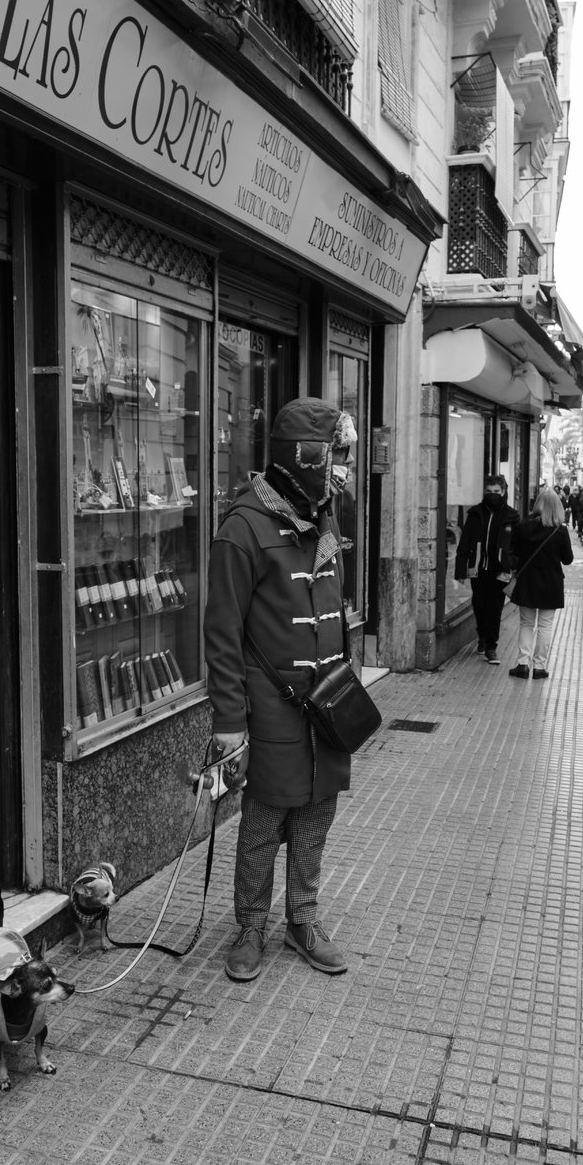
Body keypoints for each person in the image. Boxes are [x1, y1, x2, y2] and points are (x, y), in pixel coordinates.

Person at [203, 397, 357, 983]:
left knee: (317, 814)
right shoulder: (241, 529)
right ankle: (249, 926)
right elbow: (221, 636)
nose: (341, 466)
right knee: (263, 823)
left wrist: (350, 672)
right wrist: (228, 723)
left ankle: (303, 919)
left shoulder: (324, 515)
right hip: (269, 705)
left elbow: (334, 607)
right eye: (334, 454)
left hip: (328, 700)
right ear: (306, 456)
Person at [507, 488, 574, 680]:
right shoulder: (560, 531)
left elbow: (516, 553)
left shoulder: (522, 527)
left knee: (526, 623)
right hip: (550, 583)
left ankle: (522, 664)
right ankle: (539, 667)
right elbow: (568, 559)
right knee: (545, 625)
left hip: (527, 581)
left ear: (537, 505)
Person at [453, 476, 519, 664]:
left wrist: (511, 563)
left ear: (503, 492)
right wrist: (460, 570)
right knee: (480, 606)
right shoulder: (475, 514)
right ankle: (482, 636)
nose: (492, 495)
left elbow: (517, 545)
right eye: (489, 492)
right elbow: (465, 542)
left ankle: (491, 647)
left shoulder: (511, 516)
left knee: (495, 608)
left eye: (496, 492)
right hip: (478, 570)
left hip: (500, 571)